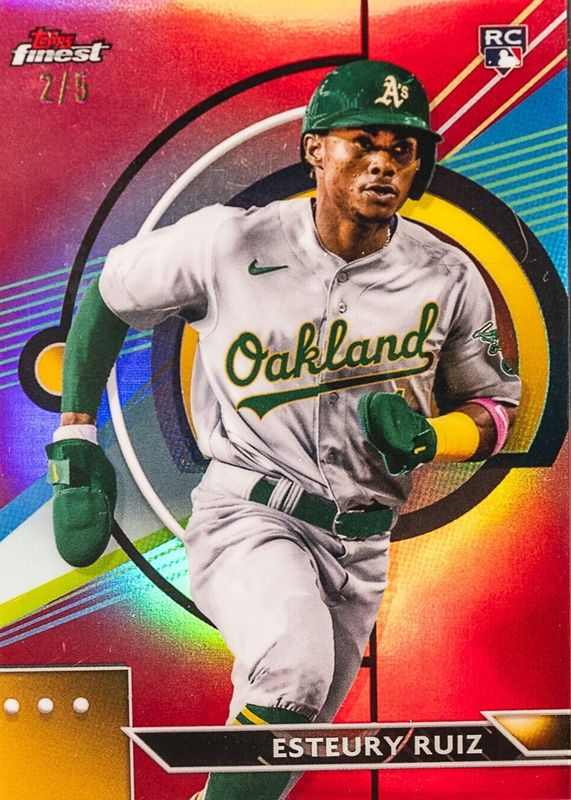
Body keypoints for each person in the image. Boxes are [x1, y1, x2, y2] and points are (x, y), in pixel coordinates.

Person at [46, 60, 521, 800]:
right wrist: (76, 435)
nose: (383, 163)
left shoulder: (446, 273)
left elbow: (493, 409)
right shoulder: (228, 242)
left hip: (363, 545)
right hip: (250, 512)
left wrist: (435, 439)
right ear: (314, 150)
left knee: (286, 745)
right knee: (292, 672)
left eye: (401, 148)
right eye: (362, 142)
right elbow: (110, 294)